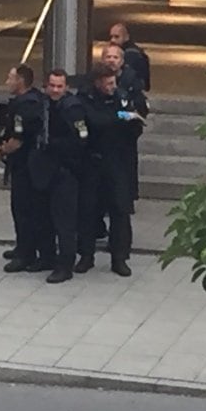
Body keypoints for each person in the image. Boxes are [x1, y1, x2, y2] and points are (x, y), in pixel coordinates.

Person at [76, 65, 141, 277]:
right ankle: (86, 256)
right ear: (98, 83)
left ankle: (119, 258)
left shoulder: (121, 97)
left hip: (117, 162)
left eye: (114, 82)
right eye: (109, 83)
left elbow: (136, 124)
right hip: (92, 162)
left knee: (120, 211)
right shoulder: (85, 98)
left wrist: (124, 119)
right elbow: (94, 121)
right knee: (87, 211)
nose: (113, 87)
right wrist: (120, 118)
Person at [28, 69, 88, 284]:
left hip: (65, 171)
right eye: (52, 86)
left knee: (64, 222)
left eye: (59, 86)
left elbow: (81, 140)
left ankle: (65, 265)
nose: (55, 90)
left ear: (66, 87)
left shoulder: (73, 109)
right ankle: (46, 257)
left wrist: (54, 145)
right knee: (42, 217)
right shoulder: (42, 105)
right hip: (43, 169)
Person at [0, 65, 47, 273]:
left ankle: (26, 253)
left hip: (27, 165)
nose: (7, 81)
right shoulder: (35, 99)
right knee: (24, 209)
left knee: (23, 209)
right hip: (29, 163)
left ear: (20, 81)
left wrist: (1, 151)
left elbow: (18, 139)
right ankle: (23, 247)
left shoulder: (25, 106)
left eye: (10, 78)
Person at [100, 43, 149, 207]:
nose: (111, 61)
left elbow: (140, 104)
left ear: (122, 61)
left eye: (115, 57)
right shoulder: (94, 79)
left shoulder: (131, 80)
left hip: (124, 137)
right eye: (108, 57)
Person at [109, 22, 151, 92]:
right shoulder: (134, 52)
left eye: (117, 37)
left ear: (126, 37)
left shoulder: (132, 55)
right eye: (111, 37)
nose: (112, 40)